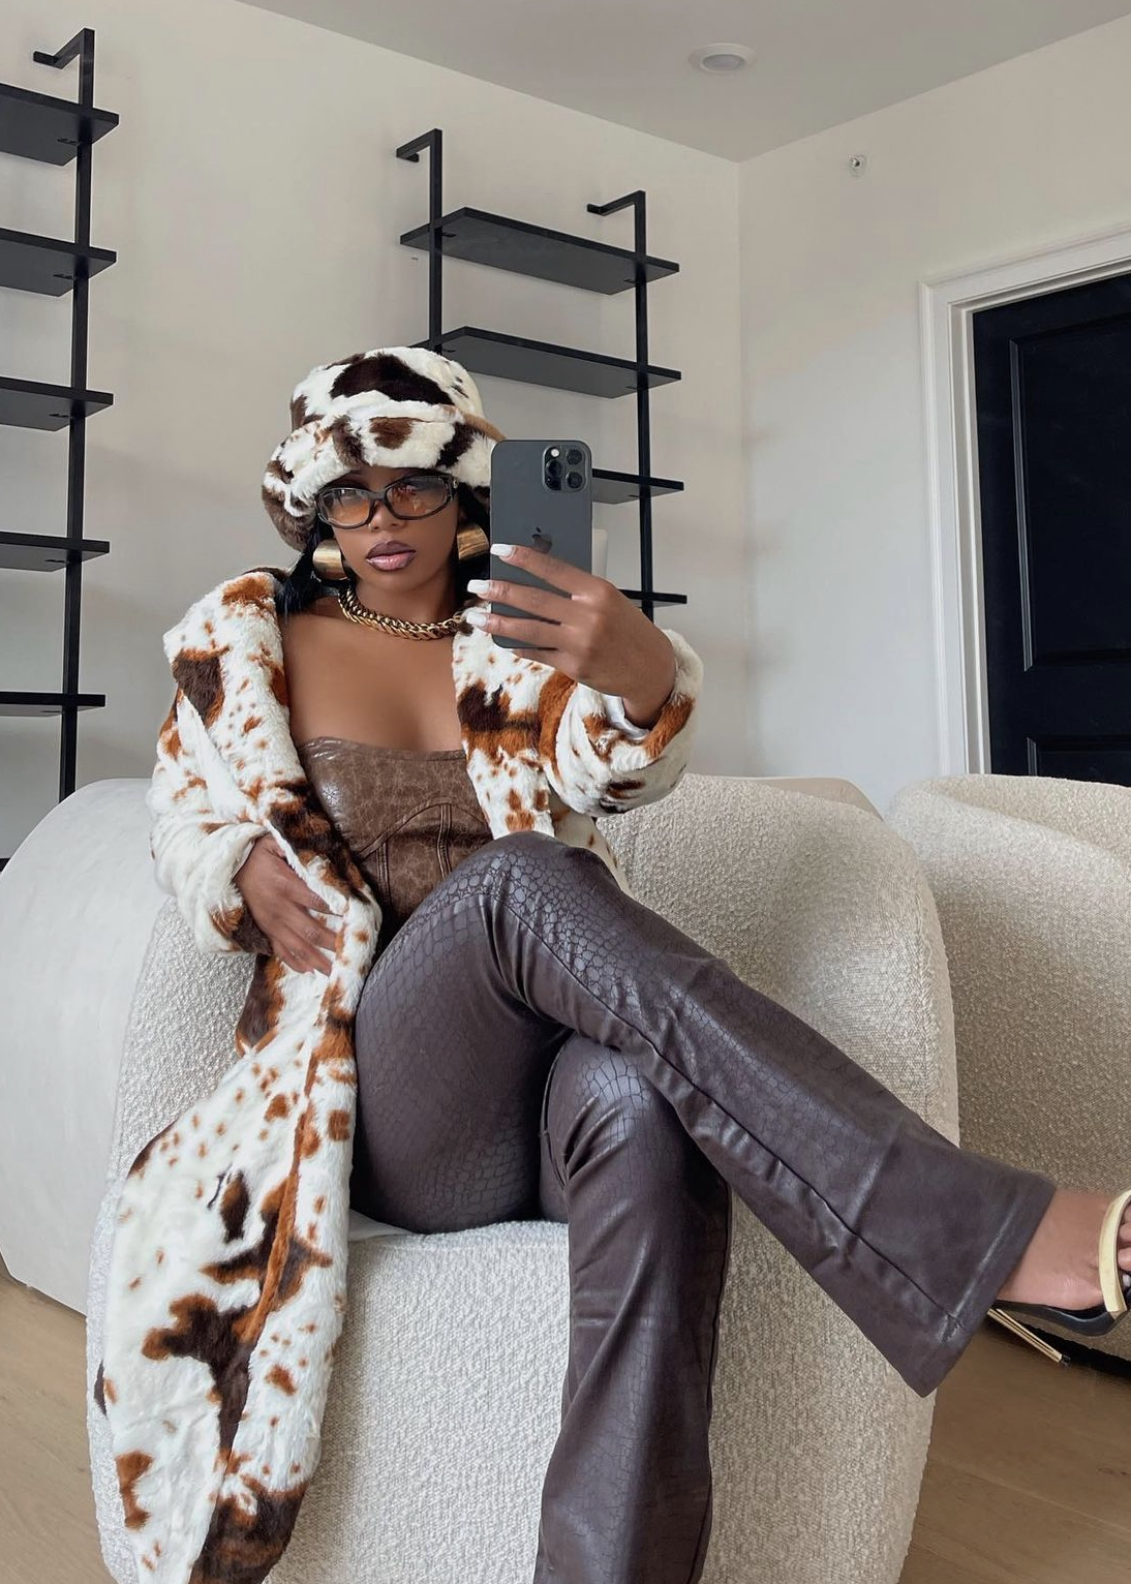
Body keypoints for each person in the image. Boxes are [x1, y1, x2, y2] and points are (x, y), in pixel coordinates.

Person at [204, 346, 1129, 1584]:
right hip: (390, 1102)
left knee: (642, 1101)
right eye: (351, 491)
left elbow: (608, 777)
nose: (383, 518)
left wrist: (642, 675)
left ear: (465, 492)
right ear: (314, 506)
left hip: (546, 1097)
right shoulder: (252, 639)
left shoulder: (516, 630)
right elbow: (185, 811)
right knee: (521, 880)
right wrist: (230, 866)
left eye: (414, 485)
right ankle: (967, 1229)